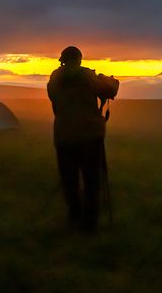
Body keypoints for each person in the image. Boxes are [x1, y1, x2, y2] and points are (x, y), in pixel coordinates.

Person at [46, 46, 119, 233]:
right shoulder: (87, 76)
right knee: (92, 181)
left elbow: (53, 98)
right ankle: (89, 226)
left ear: (62, 59)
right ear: (79, 59)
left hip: (63, 136)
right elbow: (110, 90)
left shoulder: (54, 78)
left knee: (69, 181)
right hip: (89, 137)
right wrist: (107, 79)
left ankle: (74, 217)